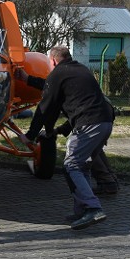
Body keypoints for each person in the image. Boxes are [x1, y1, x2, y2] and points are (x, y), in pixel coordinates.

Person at [19, 45, 114, 230]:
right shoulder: (79, 70)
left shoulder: (59, 74)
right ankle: (81, 211)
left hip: (89, 125)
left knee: (71, 164)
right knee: (82, 166)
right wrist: (59, 130)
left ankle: (93, 208)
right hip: (105, 122)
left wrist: (30, 135)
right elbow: (55, 90)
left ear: (53, 60)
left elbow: (45, 107)